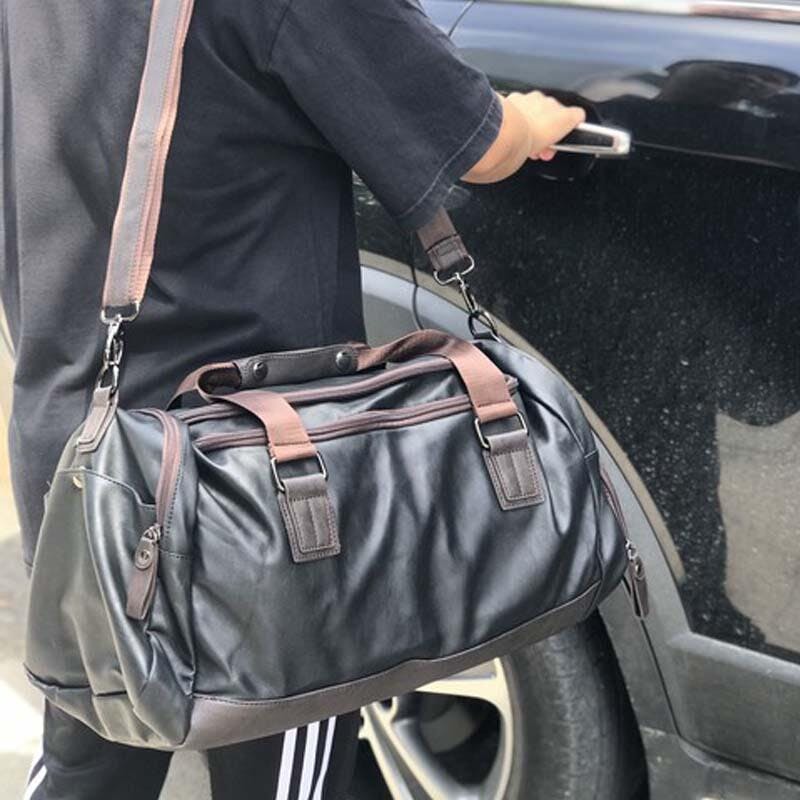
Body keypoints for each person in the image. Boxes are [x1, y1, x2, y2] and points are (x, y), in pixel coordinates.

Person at [1, 1, 584, 798]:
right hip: (256, 485)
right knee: (279, 772)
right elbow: (478, 144)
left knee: (91, 760)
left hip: (80, 441)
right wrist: (535, 119)